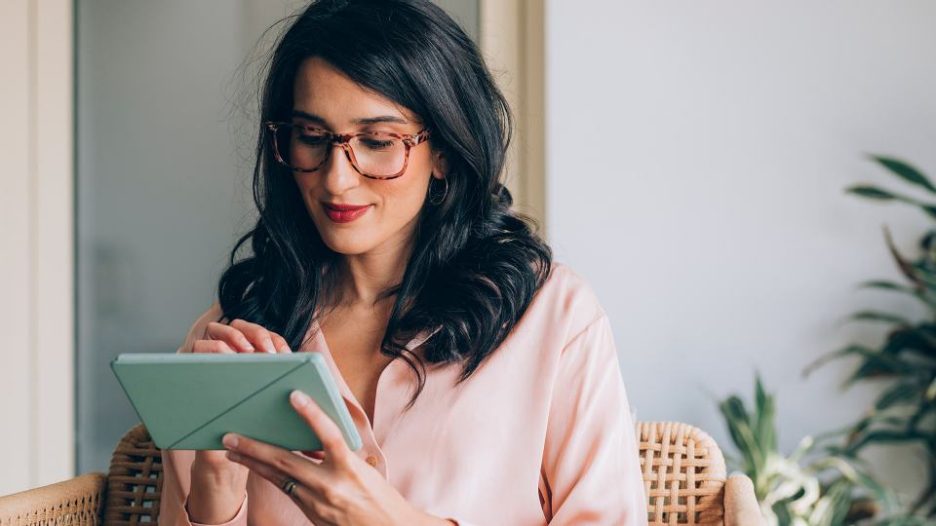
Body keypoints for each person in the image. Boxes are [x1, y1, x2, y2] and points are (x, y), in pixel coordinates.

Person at [159, 0, 647, 524]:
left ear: (443, 151)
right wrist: (216, 492)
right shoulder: (228, 335)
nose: (336, 179)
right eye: (312, 137)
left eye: (377, 141)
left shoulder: (554, 318)